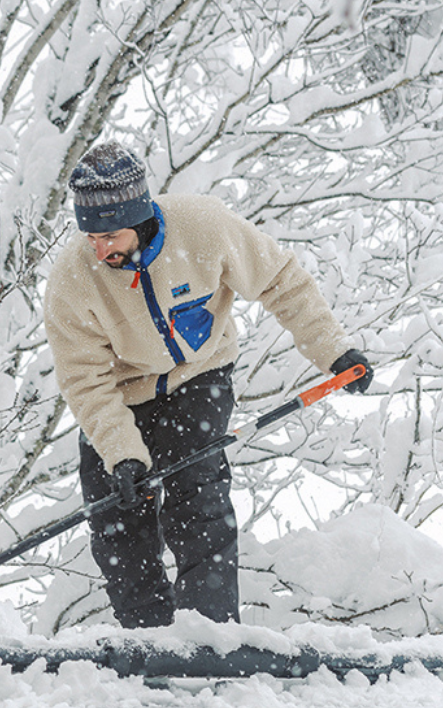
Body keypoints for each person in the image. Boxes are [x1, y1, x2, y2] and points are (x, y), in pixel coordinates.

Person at [43, 140, 372, 630]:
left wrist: (332, 350)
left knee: (197, 496)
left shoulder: (204, 229)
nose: (98, 248)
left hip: (198, 377)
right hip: (119, 395)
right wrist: (122, 452)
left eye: (109, 235)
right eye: (89, 236)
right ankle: (148, 638)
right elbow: (84, 380)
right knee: (116, 516)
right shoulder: (73, 279)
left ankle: (209, 632)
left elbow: (280, 280)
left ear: (139, 216)